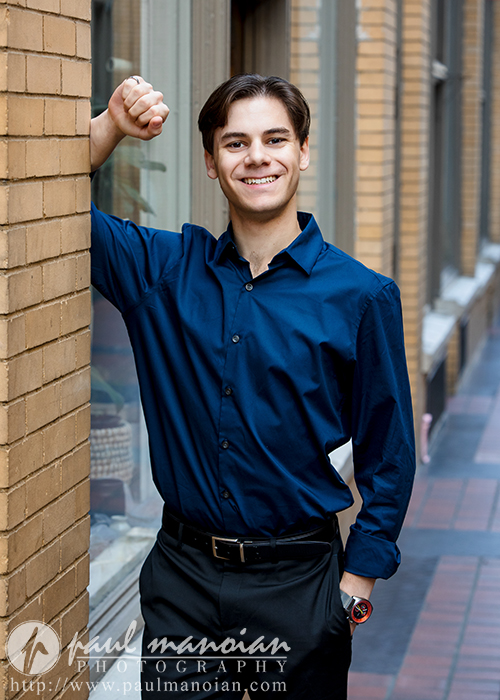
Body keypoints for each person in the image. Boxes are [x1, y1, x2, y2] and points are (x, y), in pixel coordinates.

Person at [89, 74, 415, 699]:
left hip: (300, 584)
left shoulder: (360, 296)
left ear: (302, 151)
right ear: (211, 162)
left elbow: (389, 450)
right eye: (235, 143)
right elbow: (39, 196)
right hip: (182, 578)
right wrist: (110, 129)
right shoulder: (163, 272)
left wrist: (356, 587)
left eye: (275, 139)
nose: (257, 156)